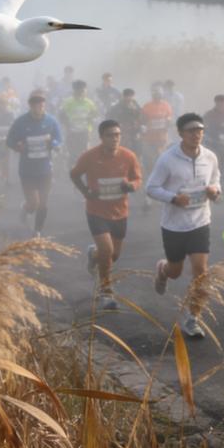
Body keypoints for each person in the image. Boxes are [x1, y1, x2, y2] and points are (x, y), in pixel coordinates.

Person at [146, 112, 222, 337]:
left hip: (200, 221)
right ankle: (163, 269)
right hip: (174, 225)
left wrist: (214, 190)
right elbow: (151, 188)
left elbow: (217, 179)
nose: (196, 134)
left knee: (201, 271)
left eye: (200, 130)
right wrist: (173, 198)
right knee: (176, 271)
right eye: (191, 130)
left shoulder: (210, 156)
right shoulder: (167, 158)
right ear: (180, 133)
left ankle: (192, 318)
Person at [70, 119, 143, 310]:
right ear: (101, 137)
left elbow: (137, 178)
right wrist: (85, 191)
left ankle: (93, 255)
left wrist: (131, 186)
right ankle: (106, 291)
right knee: (107, 251)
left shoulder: (128, 156)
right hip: (96, 211)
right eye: (110, 135)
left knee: (114, 255)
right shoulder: (90, 156)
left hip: (120, 212)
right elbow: (74, 174)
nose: (115, 138)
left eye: (118, 135)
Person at [5, 92, 63, 235]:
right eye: (36, 105)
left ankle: (37, 231)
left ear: (44, 106)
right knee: (33, 203)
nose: (39, 108)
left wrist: (53, 143)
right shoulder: (20, 122)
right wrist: (18, 146)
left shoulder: (51, 121)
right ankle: (26, 209)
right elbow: (9, 141)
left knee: (43, 203)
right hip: (27, 170)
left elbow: (59, 140)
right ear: (30, 106)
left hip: (45, 169)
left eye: (41, 105)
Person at [202, 94, 224, 196]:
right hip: (213, 145)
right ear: (216, 103)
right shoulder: (208, 115)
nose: (223, 106)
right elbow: (203, 131)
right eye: (220, 104)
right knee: (215, 166)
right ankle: (211, 187)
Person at [59, 79, 99, 160]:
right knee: (72, 156)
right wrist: (67, 125)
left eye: (84, 90)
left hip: (85, 133)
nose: (83, 92)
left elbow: (95, 115)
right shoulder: (67, 102)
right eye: (80, 90)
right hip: (72, 133)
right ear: (75, 91)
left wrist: (91, 121)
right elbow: (61, 115)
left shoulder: (89, 103)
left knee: (85, 155)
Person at [140, 85, 174, 175]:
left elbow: (169, 119)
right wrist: (143, 129)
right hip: (150, 138)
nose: (157, 96)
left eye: (159, 94)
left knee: (162, 157)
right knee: (151, 158)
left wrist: (168, 122)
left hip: (162, 138)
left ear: (162, 95)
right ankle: (150, 174)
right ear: (152, 95)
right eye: (155, 94)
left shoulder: (166, 105)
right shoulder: (147, 106)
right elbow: (142, 121)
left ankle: (163, 174)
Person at [107, 88, 143, 155]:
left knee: (136, 150)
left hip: (134, 132)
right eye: (127, 96)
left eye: (130, 96)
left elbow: (141, 119)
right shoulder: (117, 107)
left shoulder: (136, 106)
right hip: (122, 132)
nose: (129, 98)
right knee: (121, 150)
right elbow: (110, 118)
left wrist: (138, 129)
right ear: (123, 96)